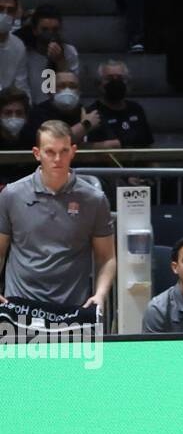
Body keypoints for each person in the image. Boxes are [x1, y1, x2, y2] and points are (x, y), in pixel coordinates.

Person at [0, 121, 116, 312]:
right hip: (20, 305)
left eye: (63, 151)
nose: (57, 158)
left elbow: (107, 257)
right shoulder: (11, 195)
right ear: (37, 154)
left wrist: (100, 294)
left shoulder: (94, 199)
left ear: (73, 151)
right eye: (50, 152)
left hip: (73, 307)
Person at [83, 60, 154, 150]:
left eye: (120, 79)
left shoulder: (136, 109)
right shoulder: (91, 113)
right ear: (99, 84)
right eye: (109, 79)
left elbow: (148, 146)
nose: (115, 82)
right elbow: (83, 149)